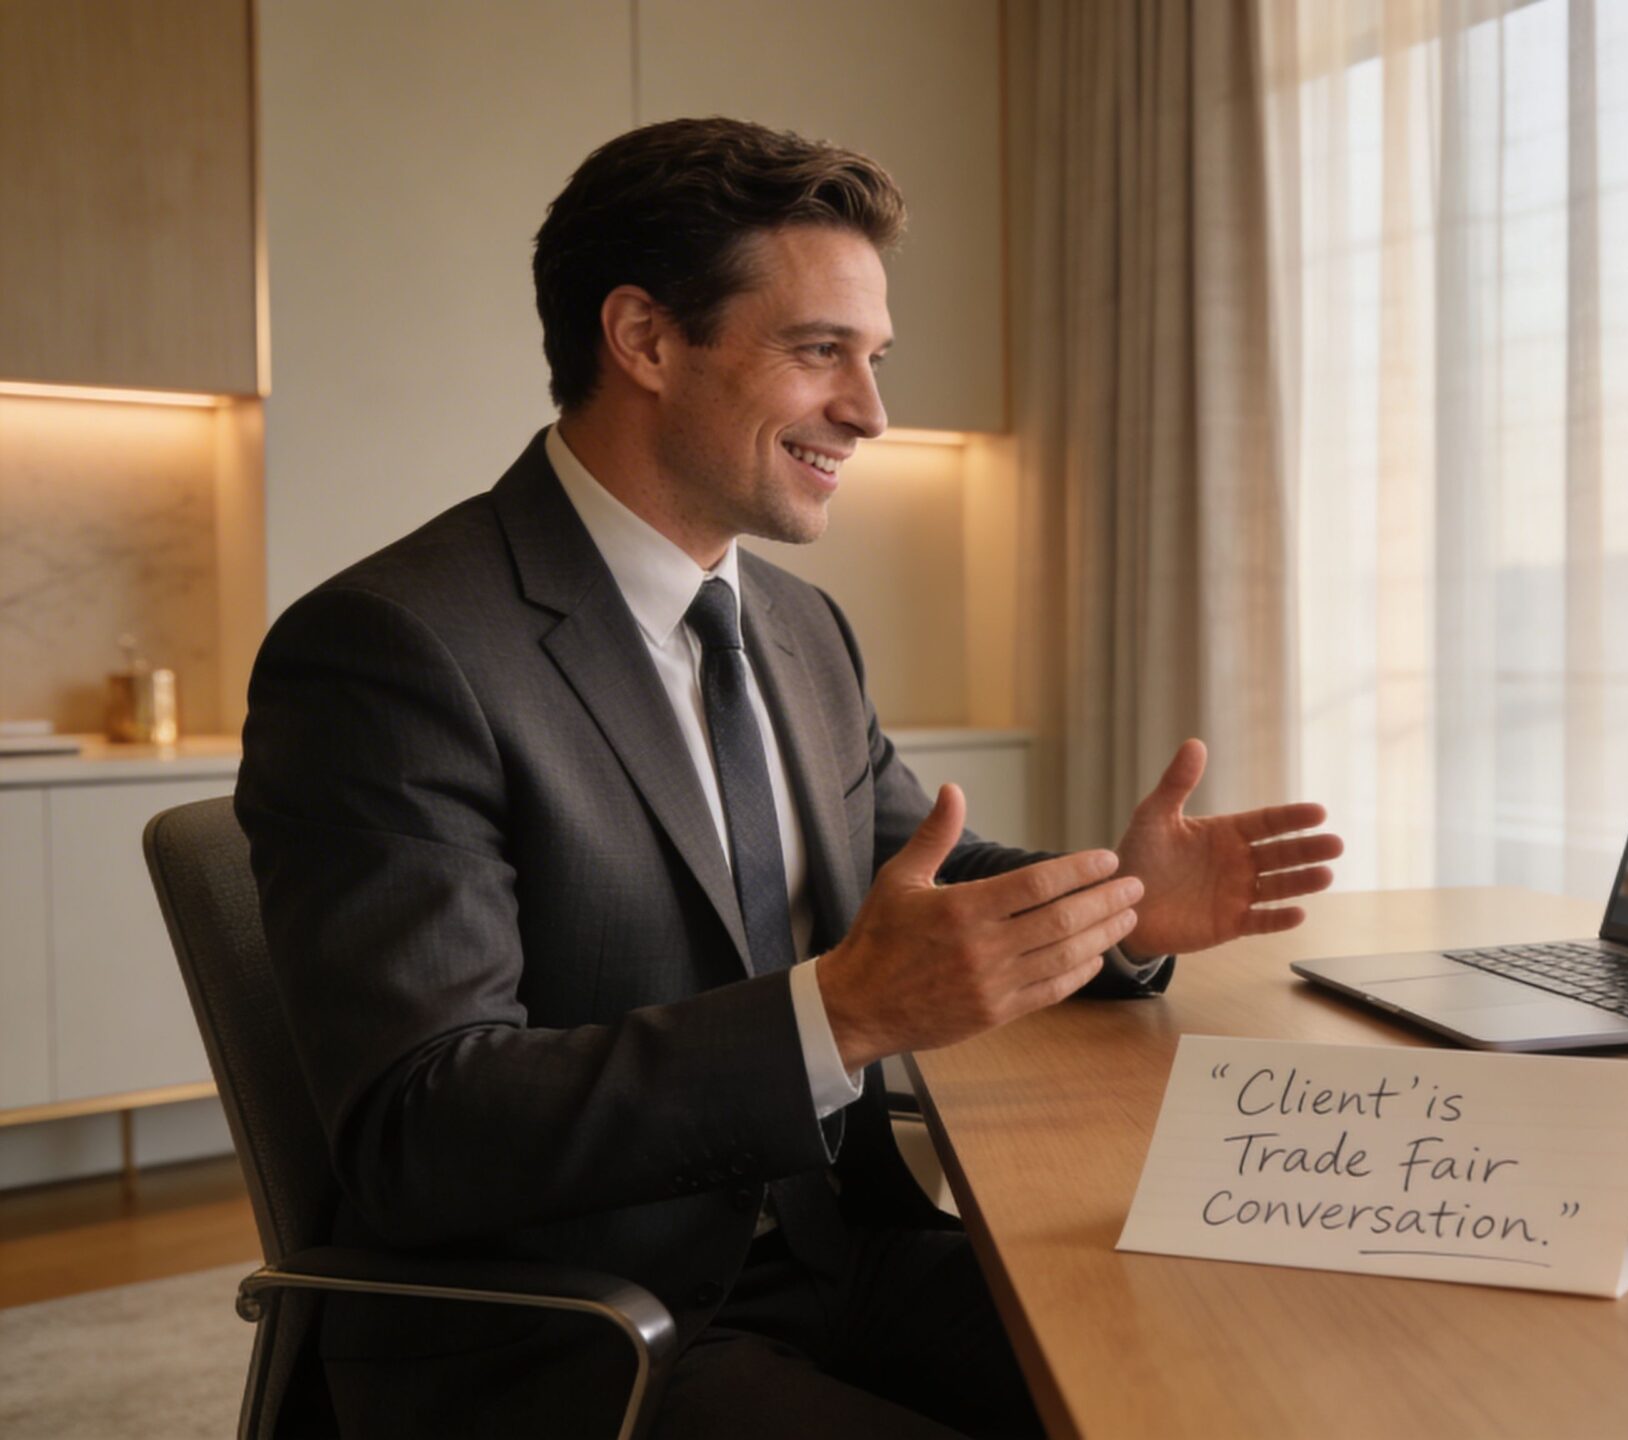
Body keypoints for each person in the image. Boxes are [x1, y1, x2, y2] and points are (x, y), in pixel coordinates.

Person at [234, 118, 1342, 1438]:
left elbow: (900, 865)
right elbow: (422, 1129)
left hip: (836, 1247)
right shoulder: (395, 650)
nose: (870, 412)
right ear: (643, 339)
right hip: (587, 1328)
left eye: (871, 360)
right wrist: (839, 1019)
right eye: (822, 352)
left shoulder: (798, 630)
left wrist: (1113, 904)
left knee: (1223, 1382)